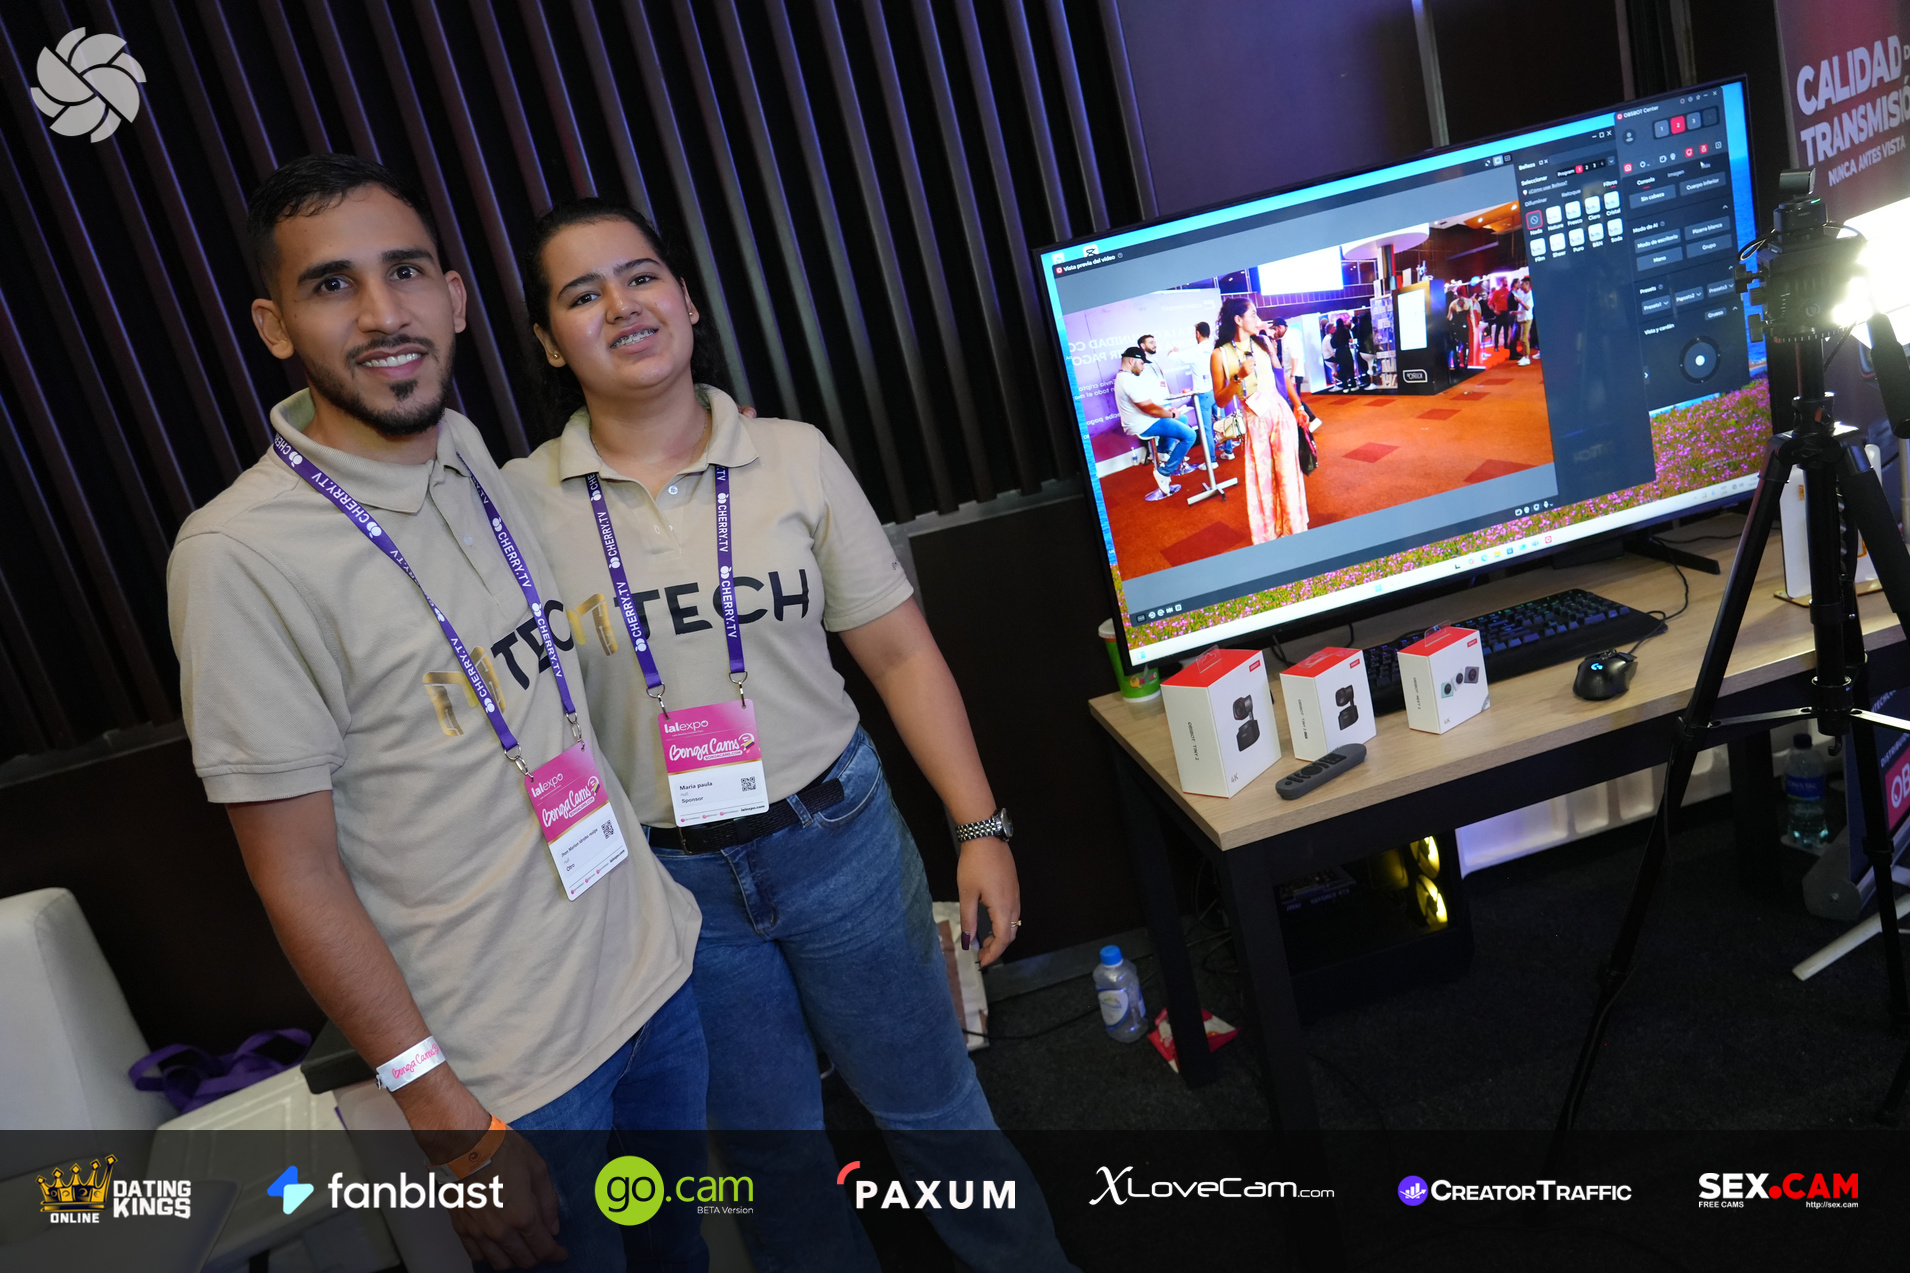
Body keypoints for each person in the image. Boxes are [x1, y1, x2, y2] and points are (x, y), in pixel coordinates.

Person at [503, 198, 1077, 1273]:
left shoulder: (792, 456)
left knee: (937, 1109)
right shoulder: (511, 508)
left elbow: (900, 655)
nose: (621, 306)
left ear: (687, 300)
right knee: (774, 1161)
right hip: (671, 892)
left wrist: (979, 825)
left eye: (640, 276)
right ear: (547, 340)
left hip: (838, 841)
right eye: (582, 294)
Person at [166, 156, 706, 1272]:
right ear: (274, 325)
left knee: (683, 1253)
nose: (383, 314)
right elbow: (295, 872)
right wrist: (448, 1119)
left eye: (406, 271)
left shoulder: (461, 450)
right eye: (332, 285)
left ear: (454, 298)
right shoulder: (235, 556)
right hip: (514, 1079)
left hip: (651, 980)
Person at [1212, 296, 1309, 542]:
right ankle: (1268, 534)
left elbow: (1281, 377)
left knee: (1287, 473)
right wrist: (1237, 378)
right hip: (1254, 420)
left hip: (1279, 413)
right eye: (1253, 314)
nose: (1258, 319)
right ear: (1238, 320)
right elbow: (1220, 400)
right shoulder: (1220, 355)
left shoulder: (1264, 342)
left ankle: (1294, 528)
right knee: (1261, 478)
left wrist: (1299, 406)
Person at [1113, 345, 1198, 500]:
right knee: (1190, 435)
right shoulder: (1128, 380)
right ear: (1132, 361)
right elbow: (1149, 409)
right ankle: (1164, 473)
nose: (1143, 367)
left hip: (1145, 420)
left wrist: (1167, 410)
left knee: (1183, 419)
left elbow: (1149, 404)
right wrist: (1171, 414)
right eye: (1142, 364)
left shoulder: (1125, 377)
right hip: (1143, 425)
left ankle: (1162, 451)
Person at [1267, 316, 1321, 434]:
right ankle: (1306, 422)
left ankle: (1312, 419)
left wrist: (1292, 376)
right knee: (1293, 399)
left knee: (1295, 399)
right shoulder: (1285, 337)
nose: (1275, 332)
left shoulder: (1291, 337)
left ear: (1280, 327)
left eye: (1275, 329)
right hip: (1290, 373)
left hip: (1293, 374)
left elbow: (1295, 357)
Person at [1516, 277, 1536, 364]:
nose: (1520, 286)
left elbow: (1527, 307)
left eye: (1522, 284)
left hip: (1527, 319)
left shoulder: (1531, 295)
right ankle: (1524, 356)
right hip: (1522, 318)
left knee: (1524, 339)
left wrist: (1520, 301)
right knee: (1522, 339)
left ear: (1527, 284)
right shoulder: (1524, 294)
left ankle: (1527, 358)